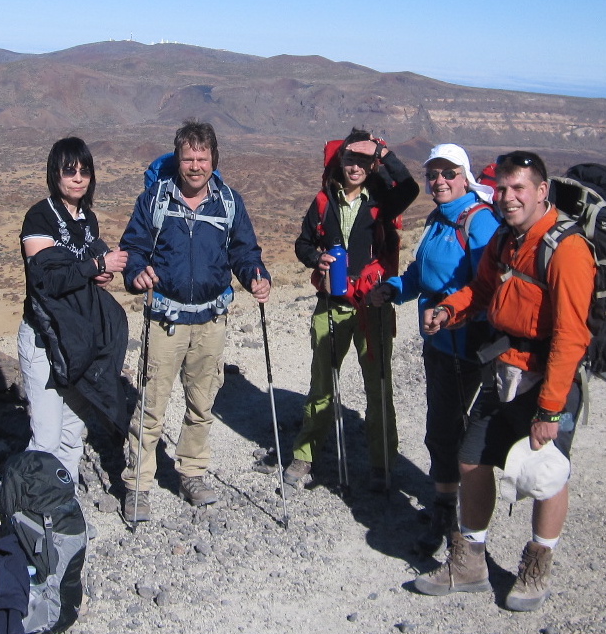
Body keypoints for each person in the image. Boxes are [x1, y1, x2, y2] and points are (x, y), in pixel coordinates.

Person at [414, 150, 595, 611]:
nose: (508, 197)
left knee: (547, 475)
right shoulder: (507, 240)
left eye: (519, 189)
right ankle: (471, 563)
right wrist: (450, 309)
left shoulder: (566, 250)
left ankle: (537, 566)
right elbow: (484, 290)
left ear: (541, 192)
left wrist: (551, 409)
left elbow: (572, 336)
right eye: (503, 188)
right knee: (472, 459)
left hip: (549, 377)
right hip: (505, 366)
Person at [119, 120, 271, 517]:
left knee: (201, 403)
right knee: (151, 404)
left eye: (202, 158)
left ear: (213, 160)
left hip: (210, 321)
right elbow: (133, 247)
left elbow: (244, 252)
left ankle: (192, 472)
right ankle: (138, 485)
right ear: (178, 159)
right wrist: (137, 273)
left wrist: (257, 275)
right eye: (188, 157)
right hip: (165, 319)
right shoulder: (154, 200)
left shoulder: (229, 203)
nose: (195, 165)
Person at [366, 144, 500, 554]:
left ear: (465, 177)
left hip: (469, 344)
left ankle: (458, 518)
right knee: (441, 429)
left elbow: (487, 286)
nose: (439, 181)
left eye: (448, 173)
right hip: (440, 342)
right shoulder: (439, 219)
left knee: (455, 433)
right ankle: (445, 505)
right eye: (433, 174)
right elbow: (421, 274)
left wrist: (449, 310)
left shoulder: (480, 223)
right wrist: (395, 289)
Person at [283, 129, 418, 491]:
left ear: (372, 163)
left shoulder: (382, 201)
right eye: (349, 159)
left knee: (378, 386)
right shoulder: (324, 201)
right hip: (331, 303)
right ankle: (305, 454)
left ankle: (383, 463)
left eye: (362, 160)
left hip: (372, 305)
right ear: (339, 161)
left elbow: (410, 188)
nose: (355, 166)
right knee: (322, 383)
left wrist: (381, 150)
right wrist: (316, 257)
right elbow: (303, 242)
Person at [17, 136, 129, 484]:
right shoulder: (40, 217)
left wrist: (99, 273)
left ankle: (61, 512)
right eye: (70, 171)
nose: (78, 178)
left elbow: (81, 272)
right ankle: (30, 512)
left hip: (76, 340)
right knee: (47, 438)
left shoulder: (87, 220)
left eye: (84, 171)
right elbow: (45, 279)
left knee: (70, 431)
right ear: (55, 174)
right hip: (43, 337)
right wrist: (95, 263)